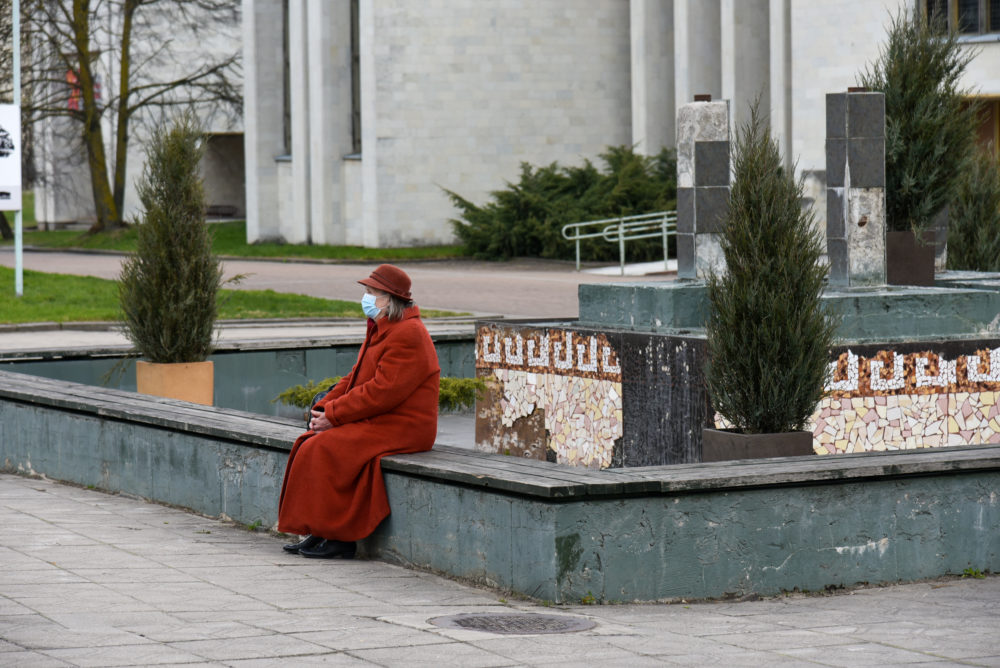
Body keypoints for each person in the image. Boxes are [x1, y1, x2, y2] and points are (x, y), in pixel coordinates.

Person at [278, 264, 440, 559]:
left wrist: (335, 415)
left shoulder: (408, 334)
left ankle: (341, 539)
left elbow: (381, 392)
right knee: (310, 444)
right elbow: (354, 378)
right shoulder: (383, 328)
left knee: (325, 448)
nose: (365, 298)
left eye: (371, 293)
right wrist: (324, 409)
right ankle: (320, 529)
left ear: (389, 299)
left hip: (404, 426)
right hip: (383, 419)